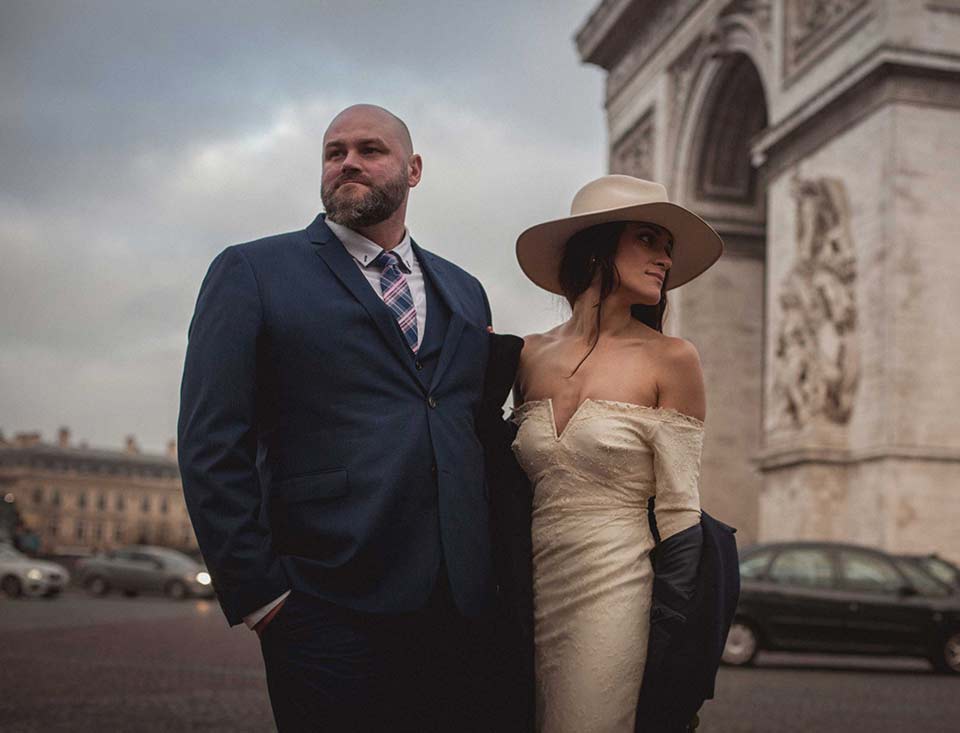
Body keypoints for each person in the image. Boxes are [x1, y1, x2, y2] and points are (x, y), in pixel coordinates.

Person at [178, 104, 497, 731]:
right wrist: (261, 596)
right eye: (333, 152)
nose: (347, 161)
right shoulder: (251, 272)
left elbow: (468, 426)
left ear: (414, 170)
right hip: (323, 603)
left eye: (369, 149)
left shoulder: (465, 290)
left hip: (454, 607)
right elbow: (212, 440)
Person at [507, 174, 732, 731]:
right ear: (598, 244)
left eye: (668, 248)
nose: (664, 261)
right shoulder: (526, 355)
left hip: (617, 591)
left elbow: (681, 512)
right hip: (524, 590)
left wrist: (669, 631)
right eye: (648, 240)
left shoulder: (673, 359)